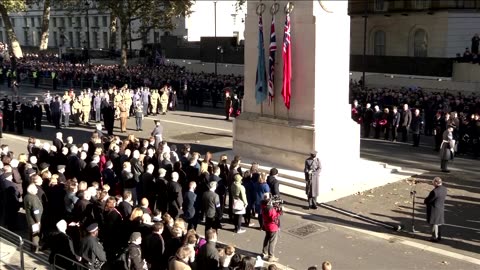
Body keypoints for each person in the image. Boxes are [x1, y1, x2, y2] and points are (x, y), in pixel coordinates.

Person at [424, 177, 447, 242]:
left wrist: (425, 201)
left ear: (436, 183)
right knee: (439, 223)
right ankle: (439, 236)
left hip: (434, 209)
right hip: (440, 208)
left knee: (434, 223)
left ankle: (434, 237)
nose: (433, 184)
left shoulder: (434, 191)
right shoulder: (444, 189)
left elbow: (429, 200)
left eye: (433, 183)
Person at [261, 192, 281, 262]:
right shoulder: (270, 208)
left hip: (266, 225)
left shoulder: (263, 205)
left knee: (267, 238)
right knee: (272, 241)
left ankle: (264, 252)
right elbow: (274, 218)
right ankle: (271, 256)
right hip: (272, 226)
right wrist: (279, 212)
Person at [24, 183, 43, 253]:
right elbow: (36, 211)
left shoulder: (27, 196)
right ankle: (35, 249)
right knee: (35, 236)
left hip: (30, 220)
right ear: (32, 190)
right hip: (35, 221)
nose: (37, 189)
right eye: (36, 188)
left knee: (31, 234)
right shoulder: (34, 198)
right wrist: (38, 221)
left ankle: (32, 248)